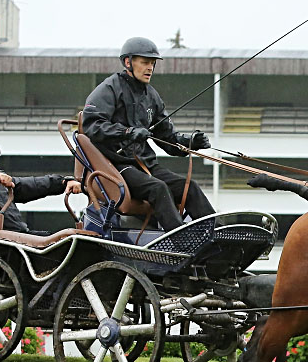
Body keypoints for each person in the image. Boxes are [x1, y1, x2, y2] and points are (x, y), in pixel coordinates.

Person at [82, 36, 215, 232]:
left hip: (146, 165)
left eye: (152, 63)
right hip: (117, 166)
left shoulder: (151, 95)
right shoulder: (109, 89)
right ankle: (179, 238)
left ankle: (216, 234)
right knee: (158, 188)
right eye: (144, 62)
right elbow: (92, 126)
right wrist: (127, 132)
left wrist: (189, 142)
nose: (150, 68)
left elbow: (167, 137)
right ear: (128, 62)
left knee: (189, 186)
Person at [0, 135, 81, 246]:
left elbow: (29, 185)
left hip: (16, 239)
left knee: (67, 241)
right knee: (58, 245)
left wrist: (62, 183)